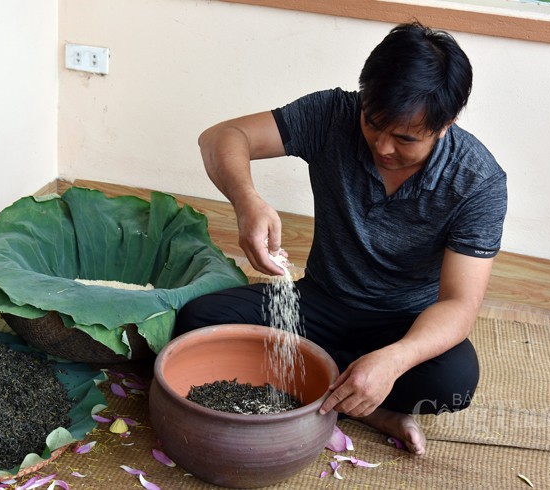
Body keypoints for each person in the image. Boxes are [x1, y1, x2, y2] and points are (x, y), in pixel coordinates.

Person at [173, 22, 507, 456]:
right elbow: (220, 137)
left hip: (402, 323)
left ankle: (330, 382)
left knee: (452, 383)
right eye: (373, 124)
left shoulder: (477, 181)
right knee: (196, 321)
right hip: (320, 301)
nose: (383, 147)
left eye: (405, 138)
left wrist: (396, 359)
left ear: (446, 125)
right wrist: (247, 201)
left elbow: (459, 305)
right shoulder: (333, 114)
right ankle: (364, 406)